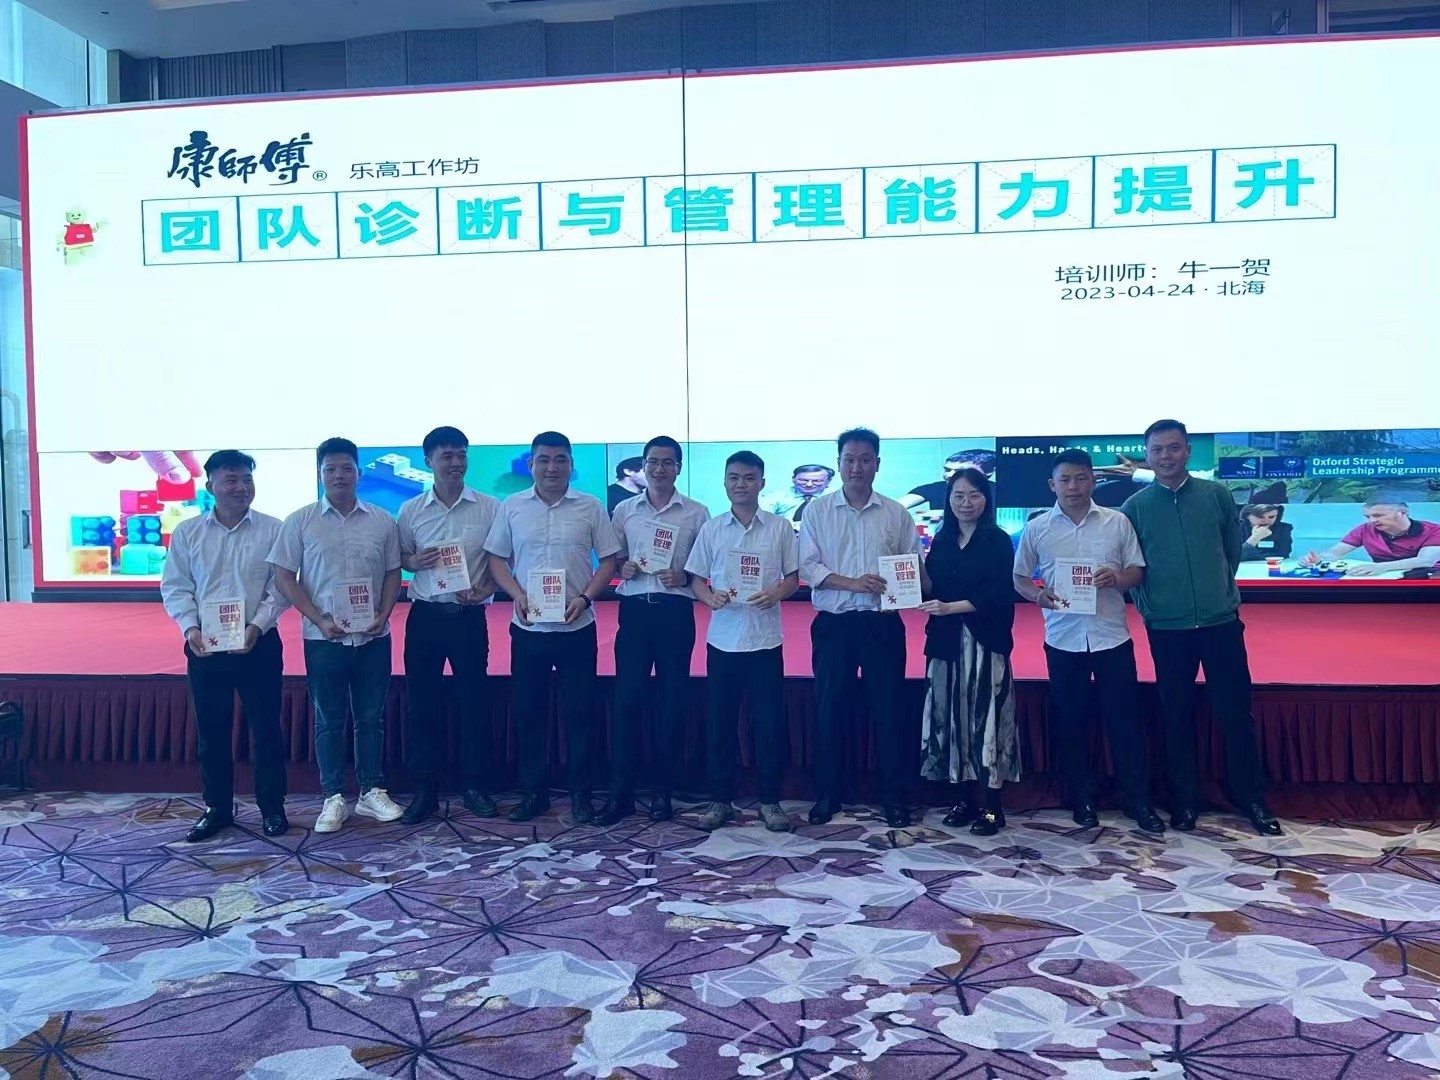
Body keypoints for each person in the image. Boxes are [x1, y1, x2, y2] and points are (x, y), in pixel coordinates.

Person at [1121, 420, 1280, 836]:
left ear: (1188, 451)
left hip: (1219, 622)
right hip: (1167, 627)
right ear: (1147, 454)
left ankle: (1251, 798)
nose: (1166, 456)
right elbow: (1133, 566)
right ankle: (1184, 800)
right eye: (1157, 450)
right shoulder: (1135, 507)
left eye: (1174, 448)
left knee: (1235, 713)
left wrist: (1218, 593)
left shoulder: (1216, 495)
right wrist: (1152, 608)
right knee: (1176, 715)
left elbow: (1230, 551)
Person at [1012, 450, 1165, 834]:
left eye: (1081, 478)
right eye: (1065, 480)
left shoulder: (1117, 522)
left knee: (1125, 721)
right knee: (1071, 722)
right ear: (1053, 485)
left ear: (1093, 481)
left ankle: (1137, 800)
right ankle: (1080, 798)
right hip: (1063, 639)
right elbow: (1019, 577)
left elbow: (1137, 571)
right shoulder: (1037, 528)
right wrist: (1038, 595)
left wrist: (1117, 578)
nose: (1074, 487)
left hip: (1111, 636)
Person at [269, 438, 405, 834]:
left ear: (359, 473)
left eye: (346, 468)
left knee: (371, 718)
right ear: (320, 474)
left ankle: (371, 791)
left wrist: (384, 613)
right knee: (328, 720)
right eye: (331, 469)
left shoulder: (382, 520)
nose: (339, 476)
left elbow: (393, 572)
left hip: (373, 637)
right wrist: (318, 618)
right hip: (323, 638)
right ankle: (333, 796)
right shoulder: (300, 521)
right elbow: (284, 577)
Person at [486, 431, 621, 824]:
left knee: (581, 712)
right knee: (529, 712)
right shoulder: (512, 506)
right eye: (543, 459)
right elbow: (497, 559)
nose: (551, 467)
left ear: (571, 465)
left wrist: (586, 598)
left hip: (576, 626)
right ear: (531, 464)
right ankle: (535, 793)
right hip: (528, 627)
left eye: (560, 459)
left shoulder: (590, 506)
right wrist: (516, 595)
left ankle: (581, 794)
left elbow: (609, 560)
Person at [160, 451, 290, 842]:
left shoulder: (274, 529)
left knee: (266, 729)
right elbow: (176, 586)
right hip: (205, 646)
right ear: (210, 486)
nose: (241, 487)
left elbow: (280, 587)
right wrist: (190, 629)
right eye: (231, 480)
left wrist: (257, 626)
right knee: (212, 731)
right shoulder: (188, 533)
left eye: (246, 479)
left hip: (258, 644)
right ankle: (217, 808)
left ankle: (272, 807)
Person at [799, 428, 919, 828]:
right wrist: (853, 583)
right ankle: (828, 794)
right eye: (849, 459)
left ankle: (893, 798)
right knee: (830, 710)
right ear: (838, 463)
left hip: (882, 625)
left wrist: (909, 587)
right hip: (834, 626)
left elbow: (911, 564)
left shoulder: (896, 513)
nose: (857, 467)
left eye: (865, 459)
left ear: (877, 464)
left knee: (889, 710)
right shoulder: (817, 511)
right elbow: (808, 568)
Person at [599, 436, 711, 826]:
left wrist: (685, 577)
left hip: (675, 612)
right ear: (644, 466)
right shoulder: (624, 510)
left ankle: (664, 793)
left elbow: (705, 567)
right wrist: (624, 567)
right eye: (653, 462)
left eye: (667, 462)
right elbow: (614, 558)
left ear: (679, 467)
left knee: (672, 702)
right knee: (627, 701)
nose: (659, 469)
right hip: (634, 612)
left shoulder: (697, 513)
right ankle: (621, 793)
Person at [686, 451, 800, 832]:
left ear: (762, 483)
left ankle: (770, 802)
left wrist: (777, 592)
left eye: (749, 478)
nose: (741, 484)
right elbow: (696, 579)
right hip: (723, 641)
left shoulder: (780, 527)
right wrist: (709, 597)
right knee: (720, 725)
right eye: (734, 477)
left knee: (768, 724)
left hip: (765, 640)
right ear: (725, 482)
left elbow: (793, 578)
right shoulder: (712, 529)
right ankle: (720, 800)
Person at [396, 426, 501, 825]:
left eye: (461, 455)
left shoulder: (490, 507)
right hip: (425, 617)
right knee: (421, 705)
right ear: (428, 461)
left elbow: (501, 559)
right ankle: (425, 789)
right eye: (447, 456)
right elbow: (401, 557)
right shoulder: (410, 510)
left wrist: (486, 590)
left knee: (474, 701)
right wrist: (413, 562)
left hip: (468, 617)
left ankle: (475, 785)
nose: (456, 463)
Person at [919, 468, 1018, 835]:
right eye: (958, 495)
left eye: (974, 495)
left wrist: (951, 607)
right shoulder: (942, 539)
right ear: (948, 500)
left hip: (985, 640)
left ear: (986, 500)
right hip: (945, 642)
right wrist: (911, 573)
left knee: (988, 719)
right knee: (951, 719)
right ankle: (962, 800)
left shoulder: (998, 540)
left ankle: (993, 806)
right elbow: (932, 587)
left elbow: (999, 593)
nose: (966, 503)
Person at [1301, 500, 1440, 578]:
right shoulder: (1365, 529)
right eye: (1368, 517)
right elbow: (1335, 553)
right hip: (1382, 578)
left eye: (1378, 516)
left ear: (1402, 513)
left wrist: (1380, 567)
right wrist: (1319, 558)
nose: (1372, 521)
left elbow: (1426, 561)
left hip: (1427, 580)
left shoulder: (1434, 531)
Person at [900, 450, 997, 511]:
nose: (949, 475)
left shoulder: (1001, 492)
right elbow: (895, 507)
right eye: (947, 470)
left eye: (960, 471)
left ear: (989, 472)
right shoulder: (935, 488)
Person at [763, 464, 836, 523]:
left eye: (816, 481)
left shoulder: (837, 497)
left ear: (828, 481)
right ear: (793, 479)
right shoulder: (775, 496)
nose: (809, 484)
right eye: (803, 480)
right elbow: (762, 518)